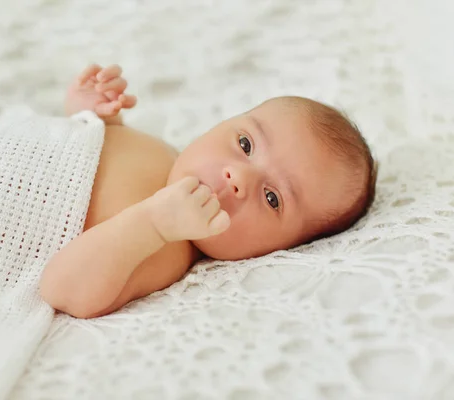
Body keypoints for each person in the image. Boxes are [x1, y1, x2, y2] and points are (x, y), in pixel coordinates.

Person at [39, 63, 377, 318]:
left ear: (276, 250)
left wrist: (153, 224)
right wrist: (91, 115)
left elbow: (62, 289)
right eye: (245, 143)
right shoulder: (163, 152)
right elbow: (91, 151)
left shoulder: (164, 250)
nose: (238, 177)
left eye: (272, 198)